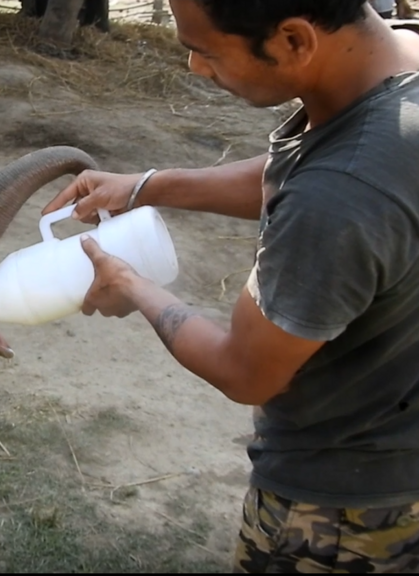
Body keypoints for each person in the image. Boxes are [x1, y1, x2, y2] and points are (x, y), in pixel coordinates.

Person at [42, 0, 419, 572]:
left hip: (349, 510)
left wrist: (133, 287)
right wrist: (146, 186)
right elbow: (305, 173)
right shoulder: (400, 64)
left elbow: (245, 371)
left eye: (207, 49)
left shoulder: (339, 197)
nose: (195, 66)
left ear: (293, 40)